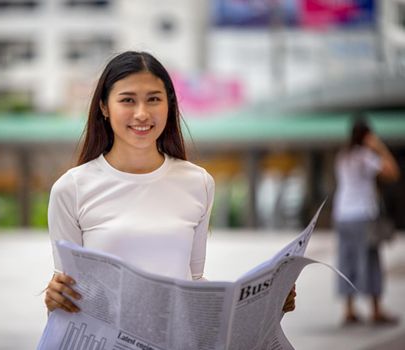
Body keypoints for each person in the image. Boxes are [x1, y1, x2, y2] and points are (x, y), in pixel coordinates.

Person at [43, 51, 296, 316]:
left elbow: (194, 281)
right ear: (104, 107)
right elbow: (67, 292)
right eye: (127, 100)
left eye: (153, 99)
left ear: (169, 105)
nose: (142, 113)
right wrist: (55, 299)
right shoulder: (71, 188)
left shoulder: (198, 182)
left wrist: (266, 302)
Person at [333, 116, 400, 326]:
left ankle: (349, 309)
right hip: (362, 215)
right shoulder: (365, 156)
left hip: (342, 214)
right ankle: (376, 309)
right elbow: (393, 172)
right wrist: (379, 147)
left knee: (347, 260)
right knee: (371, 260)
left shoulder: (343, 156)